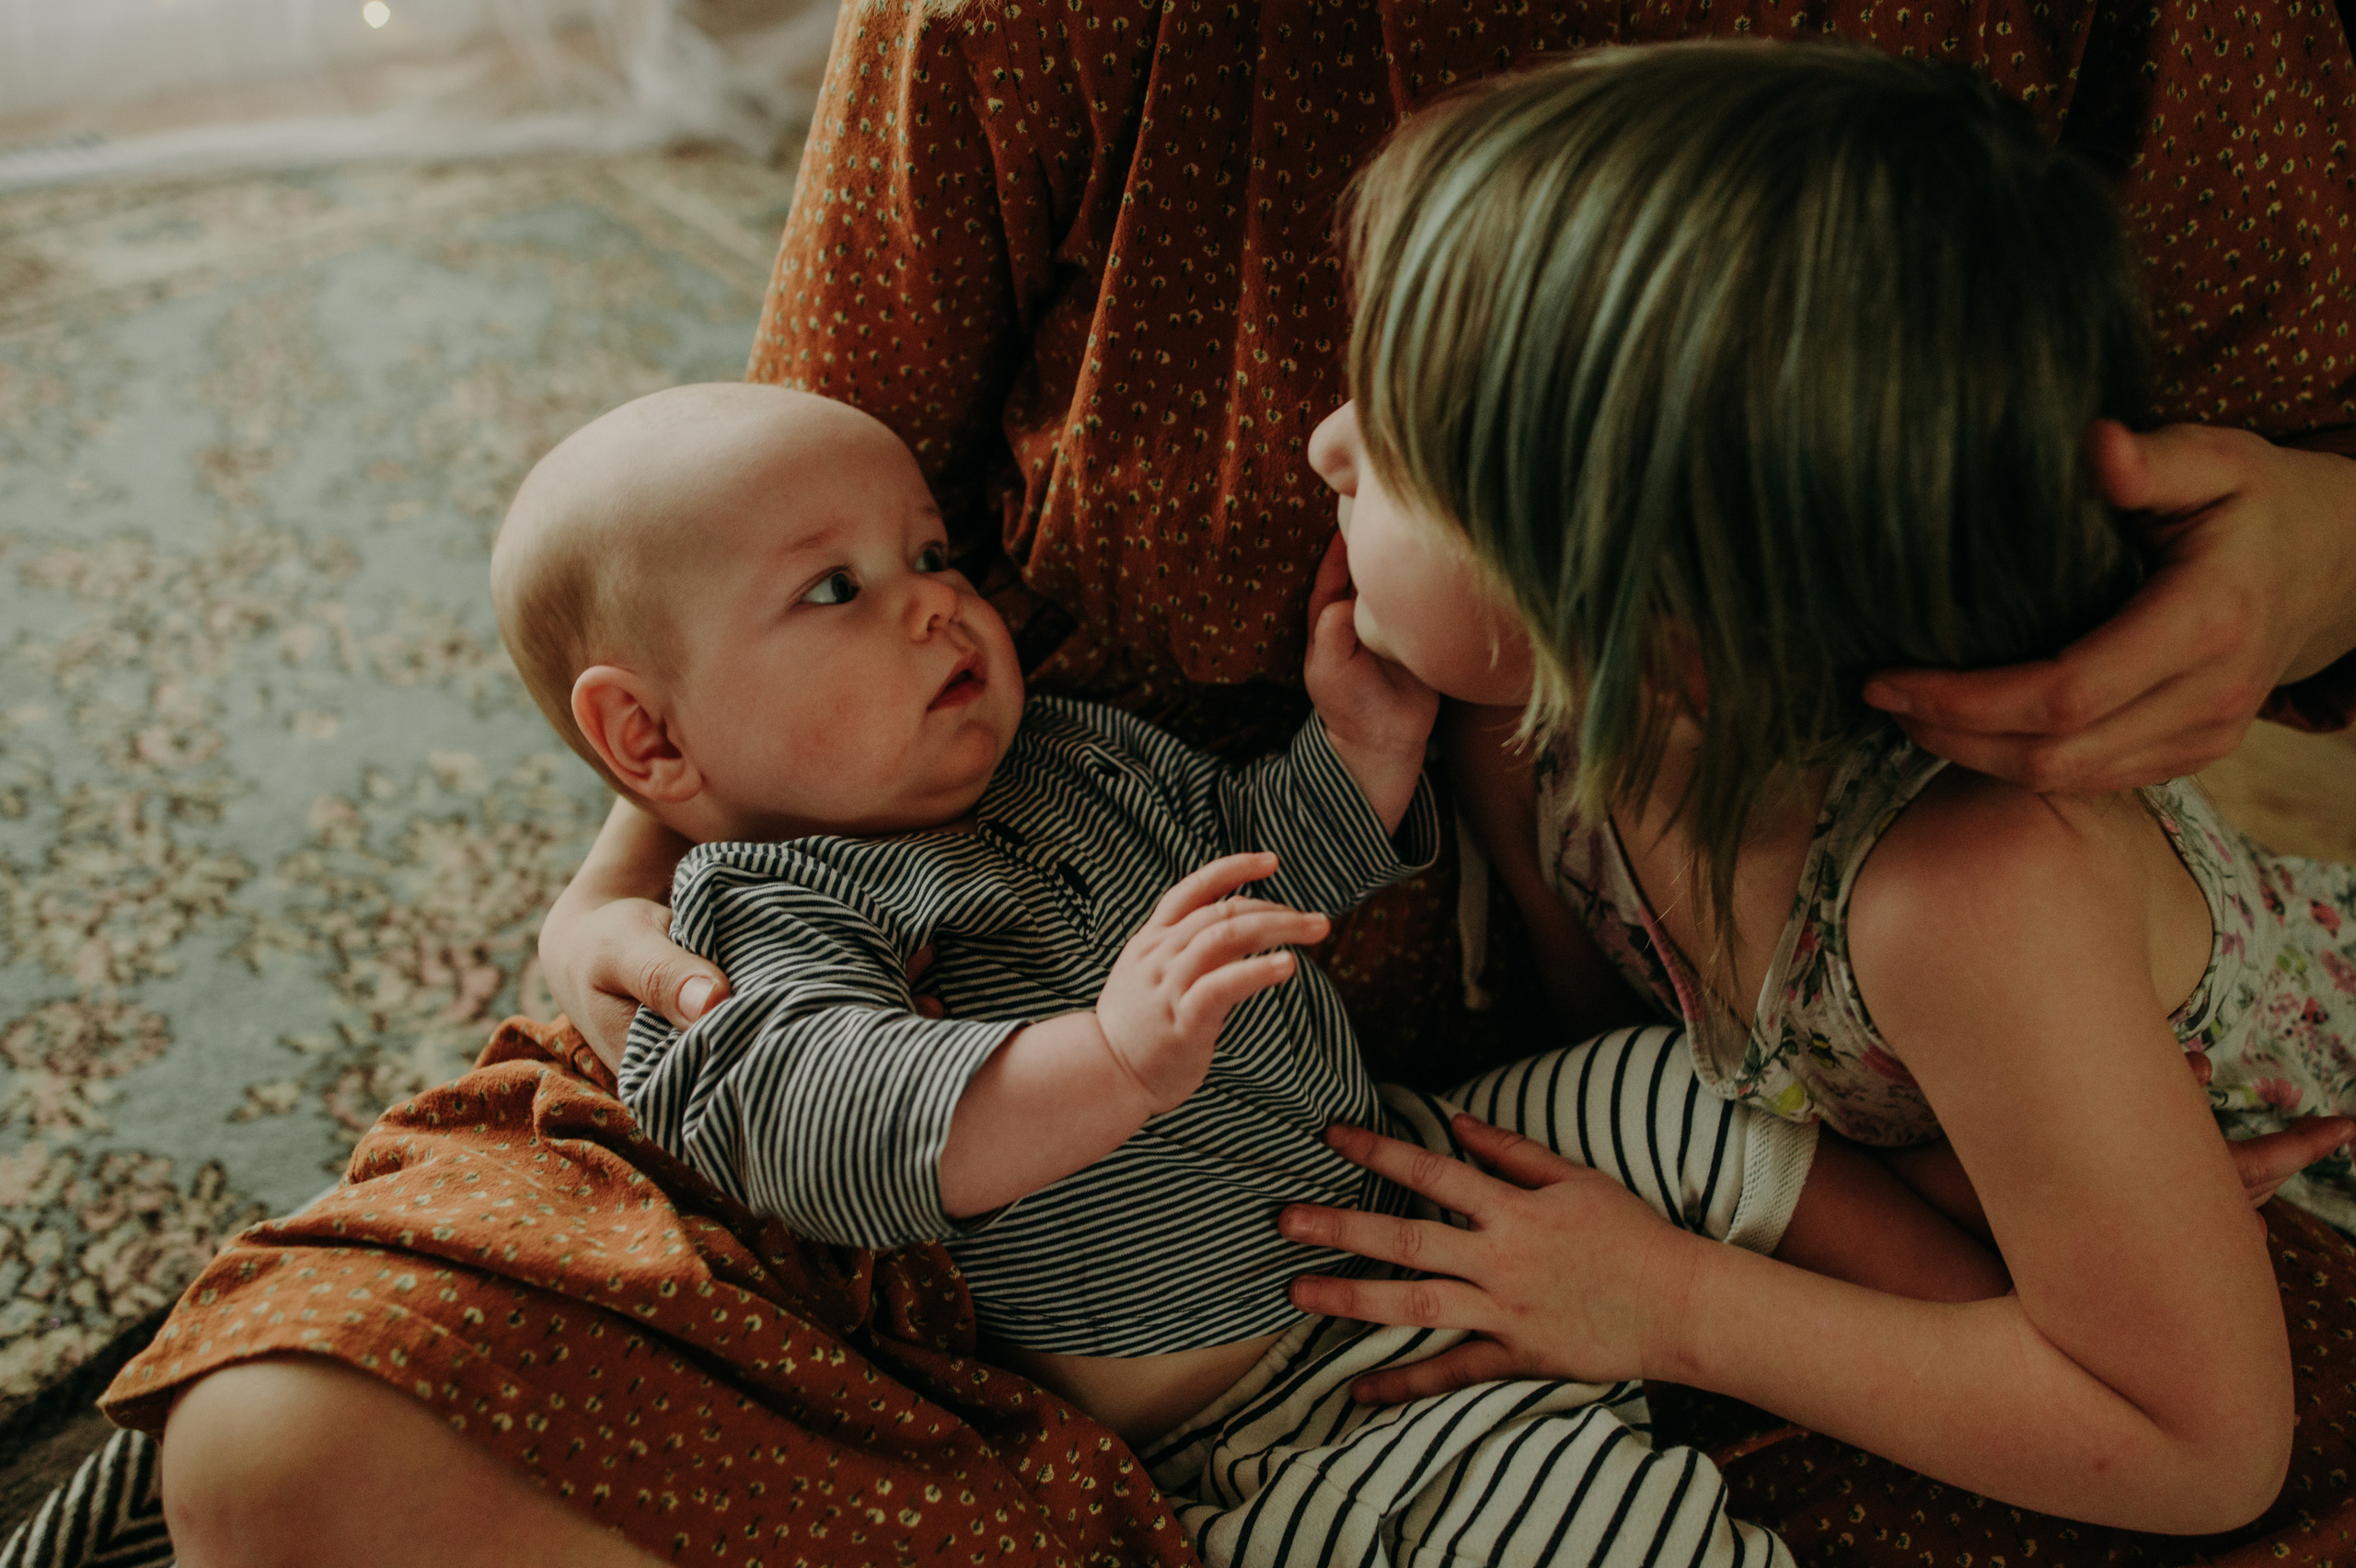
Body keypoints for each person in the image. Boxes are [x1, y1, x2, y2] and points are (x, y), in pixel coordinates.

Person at [481, 378, 2008, 1561]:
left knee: (1678, 1089)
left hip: (1407, 1162)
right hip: (1286, 1411)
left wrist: (1357, 755)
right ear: (649, 740)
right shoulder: (766, 915)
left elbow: (1261, 878)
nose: (939, 600)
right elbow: (858, 1131)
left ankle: (1985, 1329)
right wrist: (1112, 1056)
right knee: (1578, 1522)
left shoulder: (1069, 755)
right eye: (838, 591)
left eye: (931, 552)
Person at [1254, 40, 2356, 1533]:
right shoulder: (1524, 729)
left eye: (1401, 451)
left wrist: (1670, 1304)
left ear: (1662, 636)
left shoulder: (1964, 895)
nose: (1324, 443)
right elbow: (1639, 1065)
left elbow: (2201, 1446)